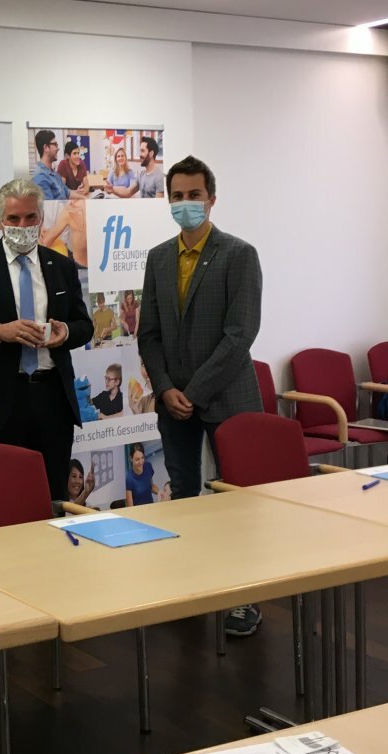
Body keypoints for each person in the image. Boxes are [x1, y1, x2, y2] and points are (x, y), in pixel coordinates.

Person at [139, 154, 264, 636]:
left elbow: (240, 335)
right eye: (177, 196)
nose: (186, 204)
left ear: (212, 198)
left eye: (194, 195)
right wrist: (167, 388)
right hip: (174, 403)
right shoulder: (158, 258)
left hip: (228, 397)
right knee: (184, 496)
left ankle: (245, 598)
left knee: (237, 502)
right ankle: (189, 588)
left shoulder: (238, 254)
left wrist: (192, 389)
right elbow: (147, 334)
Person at [0, 179, 93, 502]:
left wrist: (66, 332)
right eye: (13, 219)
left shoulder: (61, 266)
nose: (22, 226)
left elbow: (84, 326)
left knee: (52, 501)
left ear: (41, 220)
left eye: (30, 218)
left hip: (52, 402)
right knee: (0, 501)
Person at [32, 130, 87, 202]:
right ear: (46, 148)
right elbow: (51, 210)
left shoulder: (54, 174)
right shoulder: (40, 178)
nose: (58, 148)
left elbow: (67, 192)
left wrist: (86, 199)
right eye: (55, 144)